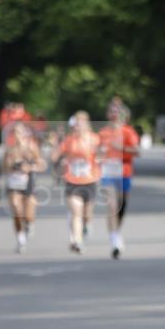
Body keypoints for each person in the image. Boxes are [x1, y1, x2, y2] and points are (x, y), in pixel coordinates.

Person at [51, 111, 101, 253]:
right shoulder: (69, 140)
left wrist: (100, 157)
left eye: (81, 124)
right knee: (76, 212)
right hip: (72, 180)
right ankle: (78, 241)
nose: (78, 127)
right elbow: (54, 157)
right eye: (76, 124)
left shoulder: (95, 139)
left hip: (90, 180)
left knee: (87, 213)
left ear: (87, 125)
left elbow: (102, 155)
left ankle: (87, 224)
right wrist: (59, 151)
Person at [99, 101, 140, 258]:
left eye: (117, 112)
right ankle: (115, 240)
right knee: (111, 206)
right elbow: (95, 151)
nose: (114, 114)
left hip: (124, 172)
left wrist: (121, 149)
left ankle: (116, 232)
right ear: (108, 115)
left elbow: (137, 151)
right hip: (108, 173)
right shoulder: (103, 133)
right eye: (111, 111)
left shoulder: (128, 132)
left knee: (121, 209)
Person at [3, 122, 46, 252]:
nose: (17, 135)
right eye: (15, 132)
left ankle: (29, 224)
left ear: (25, 134)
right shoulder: (10, 149)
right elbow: (4, 168)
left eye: (20, 132)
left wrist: (30, 167)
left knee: (28, 215)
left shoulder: (31, 147)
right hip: (13, 184)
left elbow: (42, 165)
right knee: (16, 210)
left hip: (28, 184)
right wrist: (11, 166)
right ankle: (21, 239)